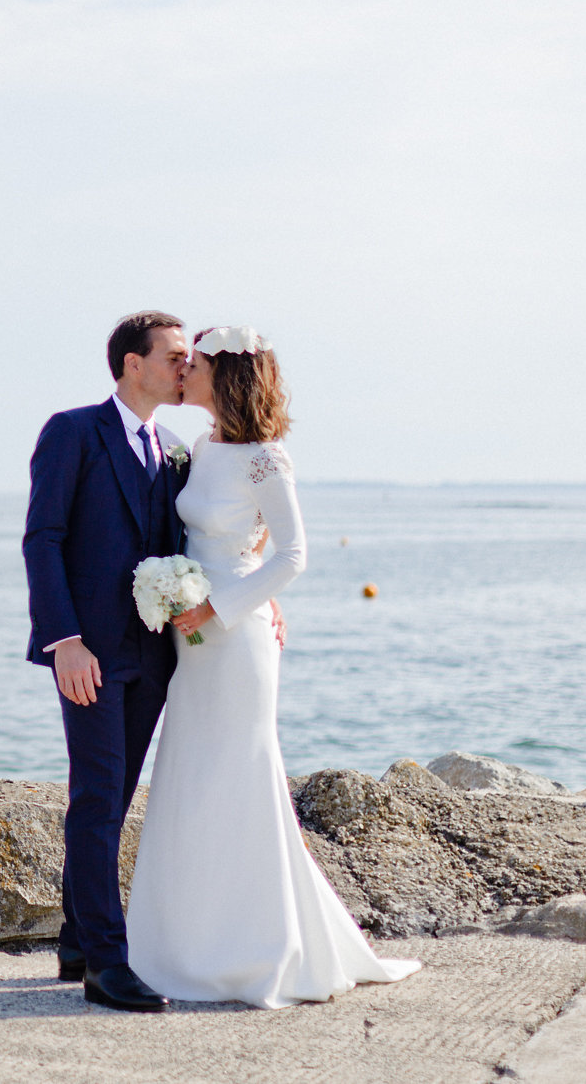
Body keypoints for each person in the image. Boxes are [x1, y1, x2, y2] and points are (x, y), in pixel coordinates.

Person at [125, 326, 421, 1007]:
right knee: (191, 776)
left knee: (239, 777)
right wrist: (180, 593)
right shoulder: (202, 446)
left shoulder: (267, 458)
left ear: (224, 375)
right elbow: (194, 530)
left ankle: (259, 951)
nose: (184, 371)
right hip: (191, 632)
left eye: (194, 364)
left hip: (233, 637)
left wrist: (221, 606)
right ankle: (182, 947)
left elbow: (292, 556)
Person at [21, 311, 193, 1013]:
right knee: (96, 795)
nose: (187, 367)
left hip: (151, 652)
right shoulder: (73, 431)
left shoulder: (176, 448)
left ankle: (73, 936)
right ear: (132, 362)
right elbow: (43, 538)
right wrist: (64, 641)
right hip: (88, 651)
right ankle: (106, 964)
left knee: (114, 800)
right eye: (176, 356)